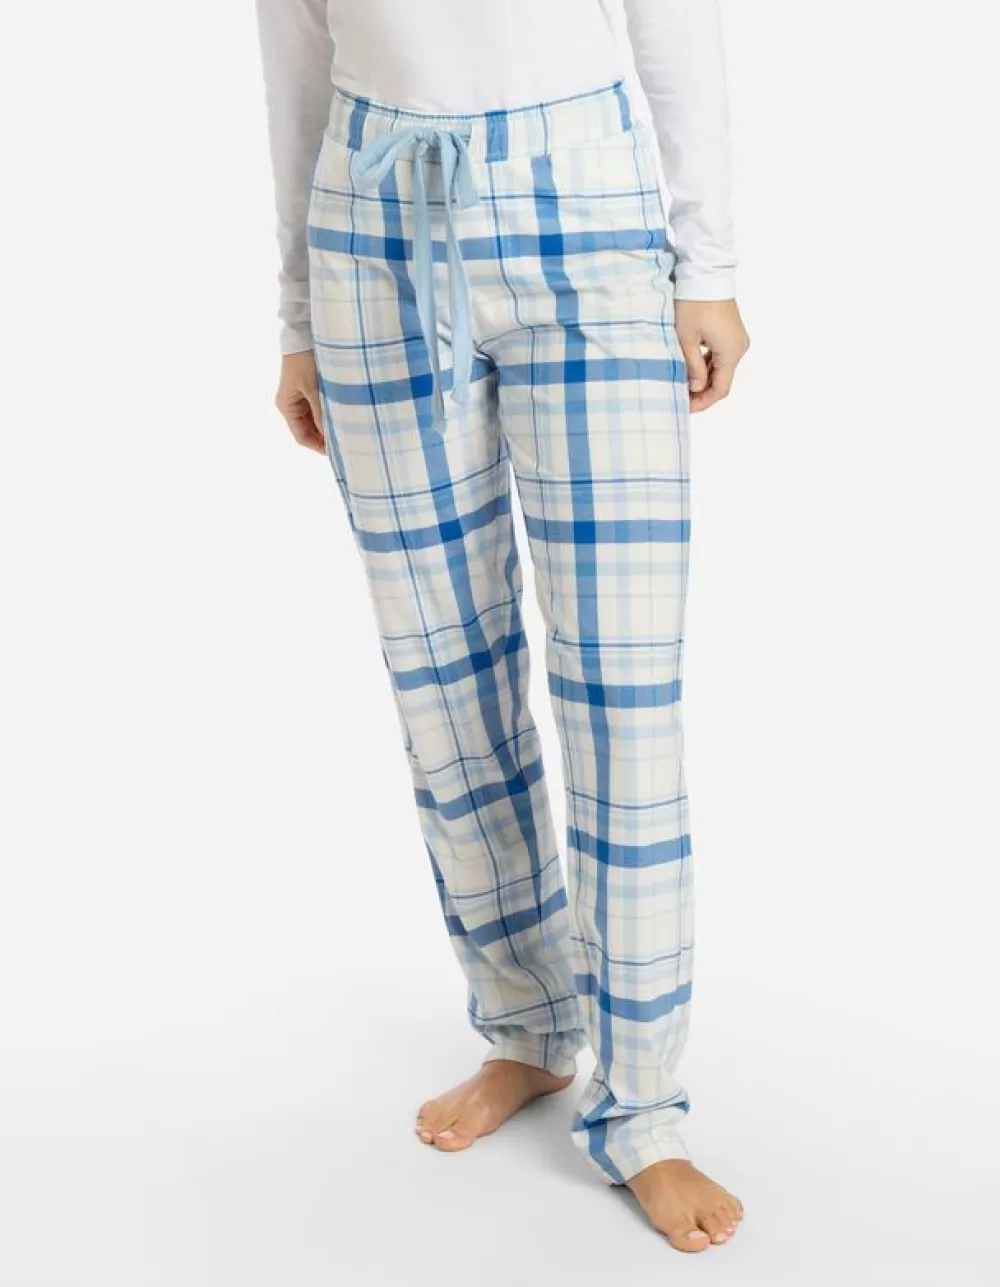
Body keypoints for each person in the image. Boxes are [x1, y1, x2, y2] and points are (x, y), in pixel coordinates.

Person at [254, 0, 750, 1254]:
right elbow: (296, 68)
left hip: (583, 216)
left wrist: (709, 269)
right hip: (370, 224)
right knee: (443, 673)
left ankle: (643, 1109)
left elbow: (675, 27)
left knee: (622, 690)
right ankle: (526, 1027)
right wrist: (298, 321)